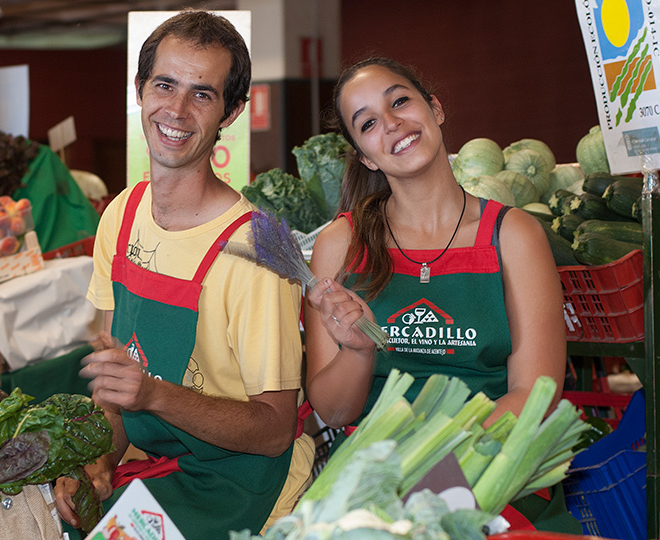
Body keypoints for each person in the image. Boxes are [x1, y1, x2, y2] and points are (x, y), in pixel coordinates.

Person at [52, 11, 312, 538]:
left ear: (231, 111)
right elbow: (115, 376)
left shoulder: (260, 248)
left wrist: (153, 395)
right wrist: (102, 457)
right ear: (140, 90)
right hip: (165, 466)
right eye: (164, 85)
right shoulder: (120, 215)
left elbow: (274, 430)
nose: (176, 109)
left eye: (202, 94)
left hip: (243, 482)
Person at [302, 57, 574, 531]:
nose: (392, 124)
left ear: (435, 108)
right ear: (365, 155)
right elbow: (333, 409)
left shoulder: (513, 235)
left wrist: (437, 464)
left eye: (400, 101)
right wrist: (357, 349)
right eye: (368, 123)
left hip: (494, 475)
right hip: (375, 492)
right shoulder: (339, 245)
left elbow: (535, 395)